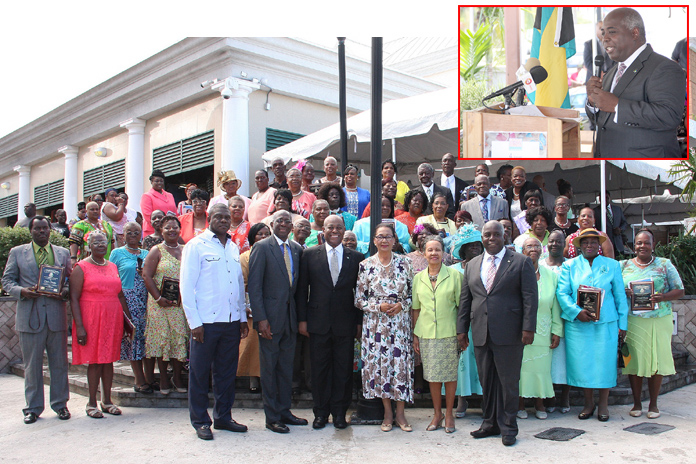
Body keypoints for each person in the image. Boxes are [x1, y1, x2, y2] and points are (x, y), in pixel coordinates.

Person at [458, 220, 538, 446]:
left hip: (510, 333)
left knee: (508, 382)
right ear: (481, 238)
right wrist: (461, 330)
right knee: (487, 381)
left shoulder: (521, 262)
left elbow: (530, 298)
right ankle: (489, 422)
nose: (491, 238)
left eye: (496, 234)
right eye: (487, 235)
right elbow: (466, 300)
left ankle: (509, 427)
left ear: (505, 237)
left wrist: (528, 328)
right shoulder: (472, 265)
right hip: (481, 333)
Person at [181, 203, 249, 440]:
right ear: (208, 218)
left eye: (226, 217)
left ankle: (223, 417)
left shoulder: (232, 247)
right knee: (200, 374)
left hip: (230, 320)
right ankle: (200, 420)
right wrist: (194, 322)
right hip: (205, 323)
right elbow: (186, 287)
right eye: (218, 216)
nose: (222, 220)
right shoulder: (196, 246)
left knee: (226, 372)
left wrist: (241, 317)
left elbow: (238, 286)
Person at [586, 7, 684, 158]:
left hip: (646, 170)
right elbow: (603, 120)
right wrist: (593, 103)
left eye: (612, 32)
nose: (604, 38)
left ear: (634, 33)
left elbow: (669, 116)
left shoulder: (664, 67)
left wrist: (617, 106)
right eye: (603, 32)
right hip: (608, 163)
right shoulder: (611, 73)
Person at [296, 215, 364, 429]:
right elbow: (301, 291)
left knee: (343, 371)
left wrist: (359, 323)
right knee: (319, 370)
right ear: (322, 230)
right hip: (317, 323)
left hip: (345, 323)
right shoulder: (308, 255)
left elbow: (360, 294)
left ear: (344, 230)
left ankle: (340, 413)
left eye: (339, 228)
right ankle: (321, 413)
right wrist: (302, 320)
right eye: (330, 227)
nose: (335, 231)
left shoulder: (356, 257)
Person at [2, 216, 72, 424]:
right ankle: (32, 408)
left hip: (56, 315)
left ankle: (60, 405)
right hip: (30, 315)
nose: (41, 232)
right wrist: (21, 291)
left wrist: (64, 292)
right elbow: (7, 280)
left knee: (59, 364)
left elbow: (69, 280)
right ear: (30, 231)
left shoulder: (62, 253)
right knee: (32, 366)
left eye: (45, 228)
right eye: (37, 229)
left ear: (50, 230)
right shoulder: (18, 253)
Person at [556, 228, 629, 422]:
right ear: (579, 245)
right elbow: (562, 293)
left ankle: (603, 404)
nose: (589, 245)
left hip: (606, 323)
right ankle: (588, 403)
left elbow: (620, 296)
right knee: (583, 364)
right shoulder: (569, 266)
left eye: (594, 242)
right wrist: (576, 311)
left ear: (599, 245)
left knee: (605, 363)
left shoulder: (612, 265)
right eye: (585, 242)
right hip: (578, 324)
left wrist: (623, 324)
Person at [248, 210, 308, 433]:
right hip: (269, 321)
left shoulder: (296, 249)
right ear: (272, 224)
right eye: (279, 221)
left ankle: (284, 411)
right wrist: (261, 319)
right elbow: (254, 288)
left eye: (287, 221)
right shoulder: (262, 247)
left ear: (292, 227)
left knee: (286, 369)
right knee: (270, 370)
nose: (283, 224)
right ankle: (272, 417)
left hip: (290, 320)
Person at [355, 223, 414, 432]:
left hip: (399, 323)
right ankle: (387, 413)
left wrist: (402, 305)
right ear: (374, 240)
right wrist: (378, 306)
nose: (384, 241)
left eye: (388, 237)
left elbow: (413, 295)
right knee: (381, 366)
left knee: (399, 365)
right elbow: (359, 300)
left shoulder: (406, 264)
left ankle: (400, 413)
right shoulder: (366, 265)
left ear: (394, 240)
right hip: (376, 324)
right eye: (380, 237)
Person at [620, 230, 684, 419]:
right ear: (634, 246)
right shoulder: (623, 265)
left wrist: (663, 296)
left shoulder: (664, 265)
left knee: (656, 361)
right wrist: (624, 292)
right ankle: (637, 403)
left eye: (646, 243)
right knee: (633, 362)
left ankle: (654, 405)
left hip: (658, 319)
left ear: (653, 245)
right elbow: (614, 288)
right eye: (639, 243)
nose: (642, 246)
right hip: (633, 320)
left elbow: (680, 290)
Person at [70, 231, 132, 418]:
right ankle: (91, 403)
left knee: (108, 360)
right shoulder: (81, 267)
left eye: (103, 242)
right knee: (95, 361)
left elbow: (120, 294)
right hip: (91, 319)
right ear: (88, 246)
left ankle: (107, 401)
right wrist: (79, 326)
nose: (100, 245)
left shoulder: (112, 266)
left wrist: (127, 321)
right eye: (96, 242)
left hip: (111, 319)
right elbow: (73, 297)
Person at [412, 235, 462, 433]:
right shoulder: (418, 278)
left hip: (449, 332)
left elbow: (461, 308)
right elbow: (416, 309)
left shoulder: (455, 276)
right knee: (432, 376)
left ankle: (449, 414)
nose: (434, 253)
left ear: (444, 253)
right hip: (426, 333)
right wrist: (415, 335)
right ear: (424, 253)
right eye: (430, 250)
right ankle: (437, 413)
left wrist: (461, 333)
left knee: (449, 376)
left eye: (437, 250)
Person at [517, 237, 563, 421]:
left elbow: (556, 305)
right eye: (529, 246)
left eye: (537, 245)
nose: (533, 249)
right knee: (521, 369)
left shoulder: (551, 275)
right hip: (520, 330)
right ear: (522, 251)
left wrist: (557, 331)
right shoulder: (515, 272)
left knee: (542, 369)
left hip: (544, 329)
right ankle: (520, 404)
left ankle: (539, 403)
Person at [141, 215, 188, 396]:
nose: (171, 230)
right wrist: (158, 297)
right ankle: (162, 378)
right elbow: (146, 275)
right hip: (159, 303)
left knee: (178, 338)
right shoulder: (156, 250)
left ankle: (176, 377)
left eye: (175, 227)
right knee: (162, 340)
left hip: (179, 304)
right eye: (167, 227)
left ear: (179, 229)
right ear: (161, 230)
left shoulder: (186, 250)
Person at [109, 222, 154, 394]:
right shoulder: (117, 253)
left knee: (147, 338)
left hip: (147, 298)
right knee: (134, 338)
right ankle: (139, 379)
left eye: (136, 232)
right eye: (129, 232)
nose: (133, 235)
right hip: (127, 299)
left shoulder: (147, 253)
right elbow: (112, 276)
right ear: (123, 235)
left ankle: (150, 378)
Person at [448, 224, 483, 418]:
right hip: (459, 322)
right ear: (463, 249)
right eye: (470, 245)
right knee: (462, 361)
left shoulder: (488, 266)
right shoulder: (452, 270)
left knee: (482, 360)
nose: (475, 248)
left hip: (481, 320)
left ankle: (486, 397)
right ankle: (461, 399)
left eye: (478, 244)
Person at [540, 230, 572, 413]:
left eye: (558, 241)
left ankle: (565, 396)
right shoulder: (541, 265)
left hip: (568, 317)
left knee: (566, 357)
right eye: (551, 241)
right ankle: (550, 396)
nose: (554, 244)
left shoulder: (571, 265)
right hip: (546, 318)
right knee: (550, 358)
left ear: (564, 244)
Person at [238, 223, 271, 394]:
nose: (264, 237)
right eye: (260, 234)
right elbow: (243, 283)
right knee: (252, 344)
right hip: (252, 306)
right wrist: (247, 306)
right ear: (253, 237)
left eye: (267, 234)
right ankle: (253, 378)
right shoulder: (245, 257)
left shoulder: (275, 254)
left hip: (271, 305)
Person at [140, 170, 176, 236]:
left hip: (169, 231)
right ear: (151, 182)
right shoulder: (147, 196)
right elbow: (148, 216)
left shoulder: (170, 195)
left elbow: (175, 213)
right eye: (156, 181)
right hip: (153, 231)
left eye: (161, 181)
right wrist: (162, 226)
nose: (159, 183)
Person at [594, 191, 628, 255]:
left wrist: (620, 229)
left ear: (610, 198)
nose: (604, 200)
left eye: (606, 197)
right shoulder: (595, 211)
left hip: (618, 245)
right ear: (599, 199)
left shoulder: (618, 209)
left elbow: (625, 223)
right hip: (604, 245)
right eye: (602, 198)